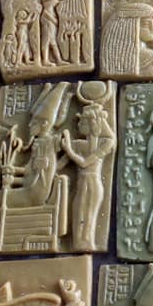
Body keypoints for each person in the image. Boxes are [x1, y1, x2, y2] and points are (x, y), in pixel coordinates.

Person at [61, 103, 116, 250]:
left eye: (82, 122)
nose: (78, 125)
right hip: (81, 185)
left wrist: (69, 150)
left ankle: (88, 244)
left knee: (89, 217)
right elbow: (59, 166)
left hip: (92, 184)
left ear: (92, 124)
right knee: (78, 215)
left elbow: (85, 163)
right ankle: (78, 245)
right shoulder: (78, 144)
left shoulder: (103, 143)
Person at [100, 1, 153, 77]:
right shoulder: (144, 55)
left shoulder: (144, 52)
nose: (152, 29)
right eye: (146, 24)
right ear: (128, 27)